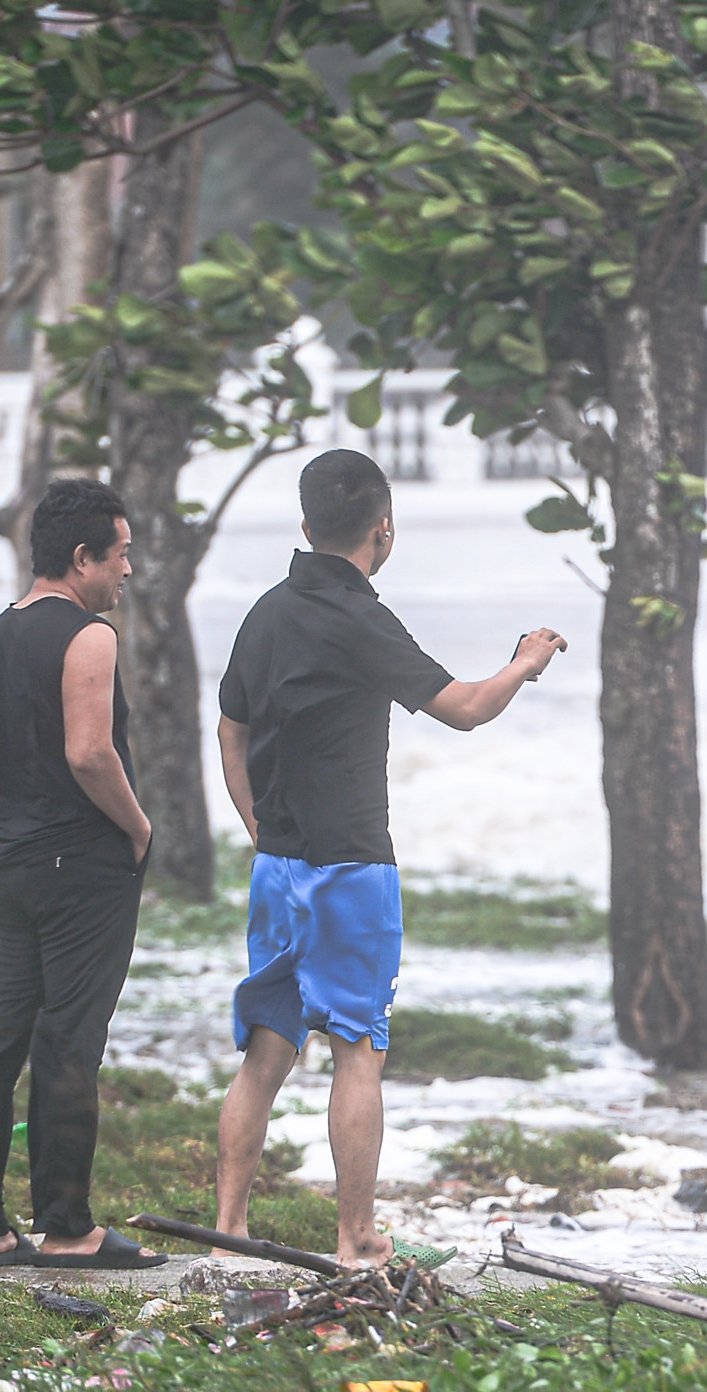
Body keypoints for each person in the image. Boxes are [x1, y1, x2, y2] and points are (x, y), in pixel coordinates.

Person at [214, 449, 566, 1266]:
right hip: (352, 867)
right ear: (384, 529)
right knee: (358, 1053)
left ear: (306, 524)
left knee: (266, 1052)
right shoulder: (361, 620)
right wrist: (525, 661)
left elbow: (230, 727)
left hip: (278, 865)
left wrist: (257, 824)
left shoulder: (266, 613)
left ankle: (227, 1231)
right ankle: (356, 1238)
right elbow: (466, 708)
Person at [0, 479, 167, 1269]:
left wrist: (19, 821)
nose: (128, 570)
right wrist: (138, 827)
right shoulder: (90, 635)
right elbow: (89, 751)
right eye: (121, 554)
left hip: (11, 860)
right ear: (82, 558)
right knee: (70, 1037)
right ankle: (69, 1227)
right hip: (84, 869)